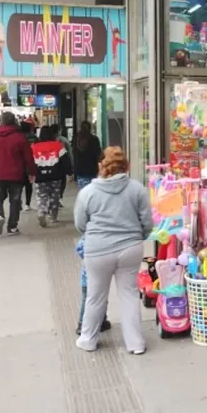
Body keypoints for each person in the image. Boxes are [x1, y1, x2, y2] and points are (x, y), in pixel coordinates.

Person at [74, 147, 152, 355]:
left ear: (101, 166)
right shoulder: (137, 189)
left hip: (98, 250)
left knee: (95, 296)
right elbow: (147, 223)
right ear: (126, 167)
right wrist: (137, 237)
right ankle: (135, 343)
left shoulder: (87, 193)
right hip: (130, 248)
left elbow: (80, 224)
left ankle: (88, 339)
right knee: (129, 295)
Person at [0, 112, 36, 236]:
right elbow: (28, 157)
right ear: (14, 121)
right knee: (15, 200)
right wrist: (32, 172)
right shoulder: (20, 137)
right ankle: (12, 226)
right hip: (17, 175)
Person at [31, 126, 72, 227]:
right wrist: (69, 172)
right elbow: (65, 160)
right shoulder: (58, 146)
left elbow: (30, 162)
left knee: (41, 196)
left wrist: (30, 173)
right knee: (54, 196)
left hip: (39, 176)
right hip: (56, 175)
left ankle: (41, 212)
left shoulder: (34, 147)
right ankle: (53, 217)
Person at [75, 236, 111, 335]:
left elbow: (79, 250)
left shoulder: (85, 238)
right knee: (101, 299)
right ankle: (98, 321)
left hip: (86, 279)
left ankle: (83, 323)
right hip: (99, 278)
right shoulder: (102, 239)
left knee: (87, 300)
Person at [74, 121, 103, 188]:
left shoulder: (76, 139)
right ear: (90, 128)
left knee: (83, 191)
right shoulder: (94, 139)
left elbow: (74, 154)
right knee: (91, 190)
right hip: (91, 169)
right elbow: (98, 153)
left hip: (79, 170)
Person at [51, 124, 72, 206]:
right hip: (61, 164)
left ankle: (54, 197)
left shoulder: (49, 139)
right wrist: (71, 166)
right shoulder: (64, 140)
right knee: (62, 182)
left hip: (51, 163)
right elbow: (69, 153)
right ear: (59, 130)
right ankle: (59, 197)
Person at [20, 121, 38, 211]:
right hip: (31, 163)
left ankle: (18, 203)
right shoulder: (34, 138)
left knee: (18, 185)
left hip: (19, 165)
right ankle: (27, 204)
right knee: (28, 185)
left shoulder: (18, 138)